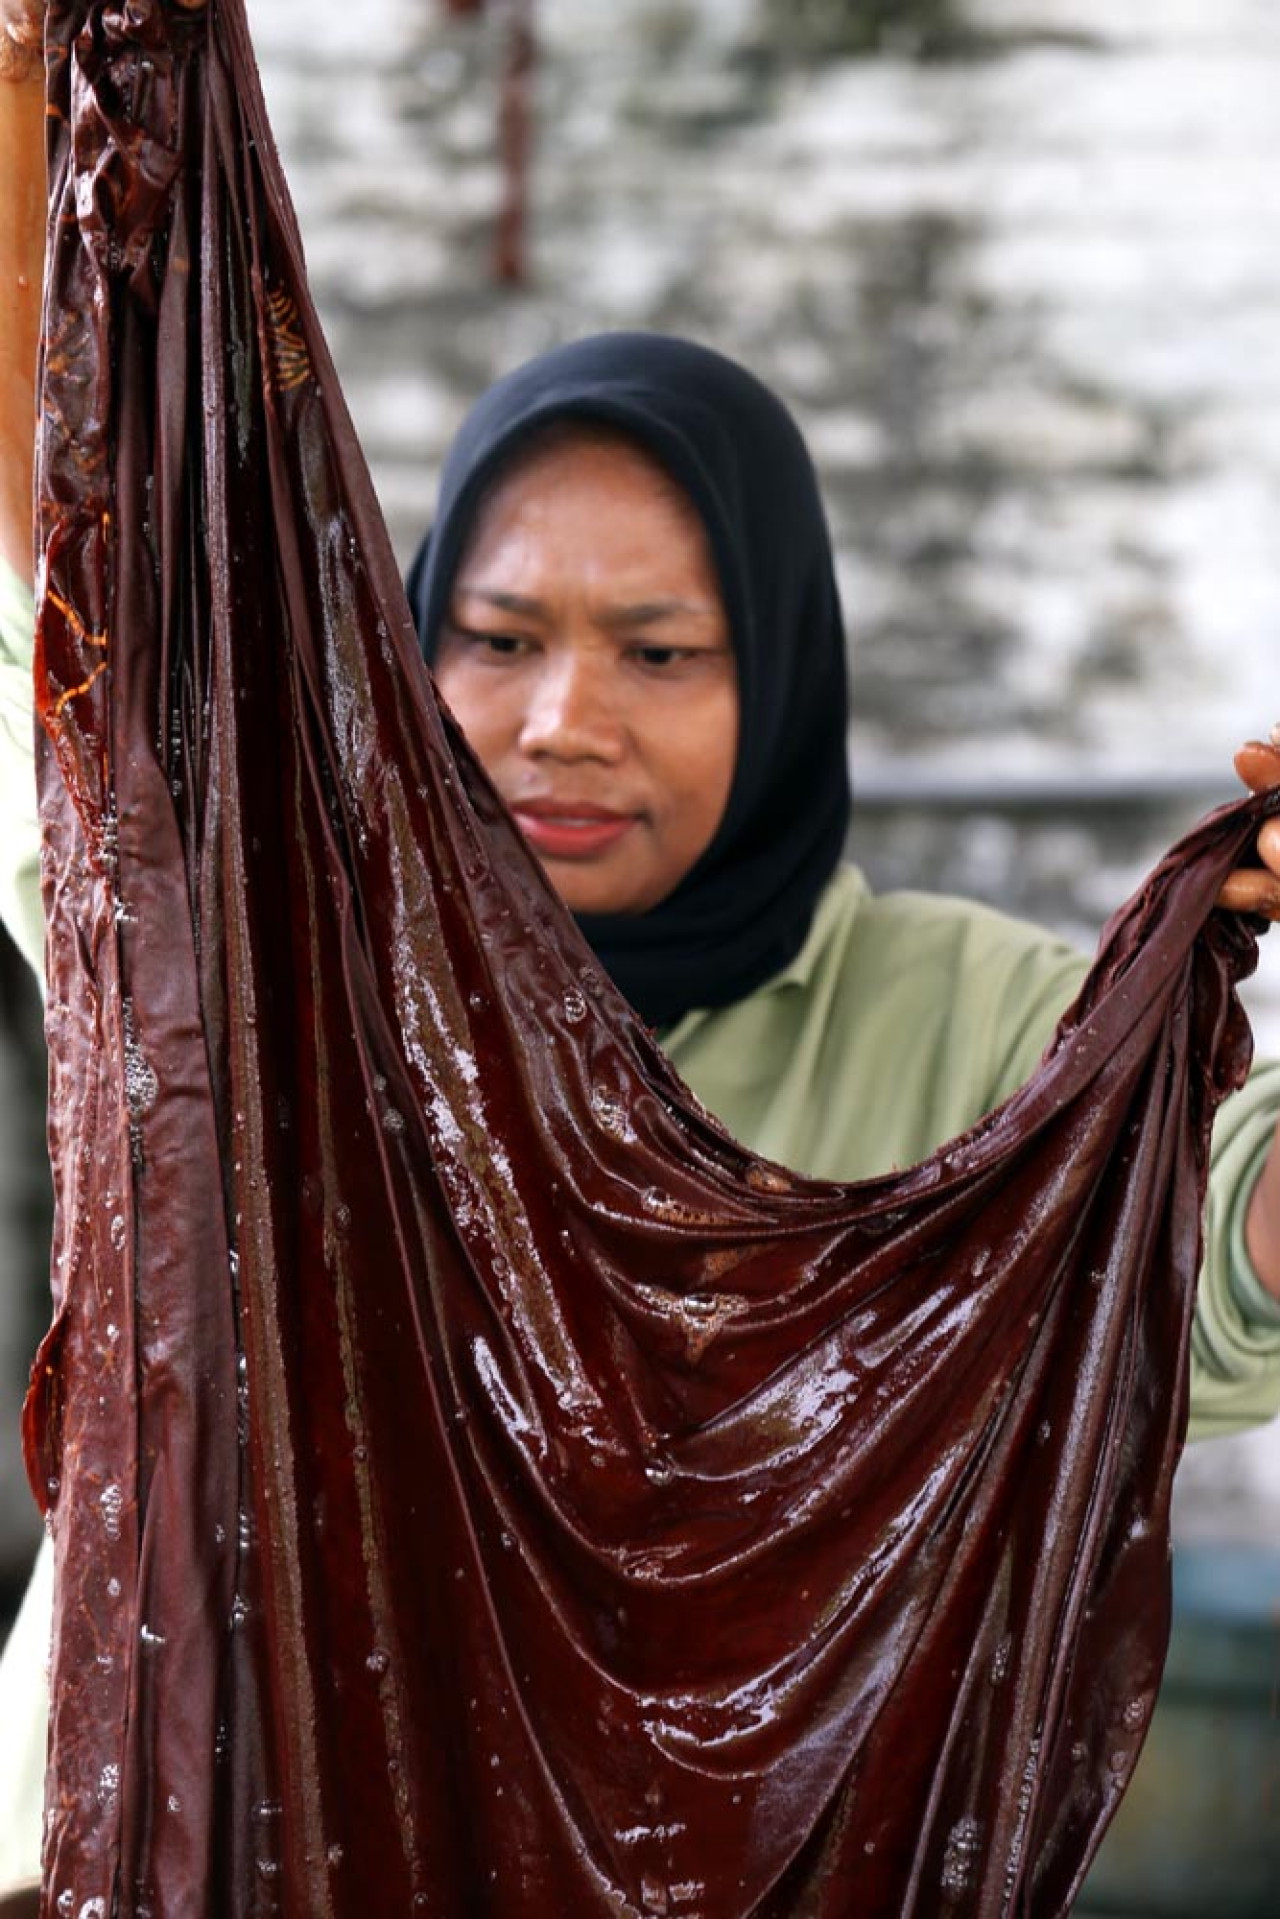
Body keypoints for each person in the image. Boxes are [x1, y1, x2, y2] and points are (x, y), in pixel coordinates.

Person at [3, 6, 1280, 1902]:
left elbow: (1215, 1262)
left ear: (780, 684)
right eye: (500, 641)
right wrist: (44, 81)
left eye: (661, 653)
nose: (560, 721)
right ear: (414, 658)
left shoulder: (969, 1034)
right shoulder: (269, 962)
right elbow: (59, 564)